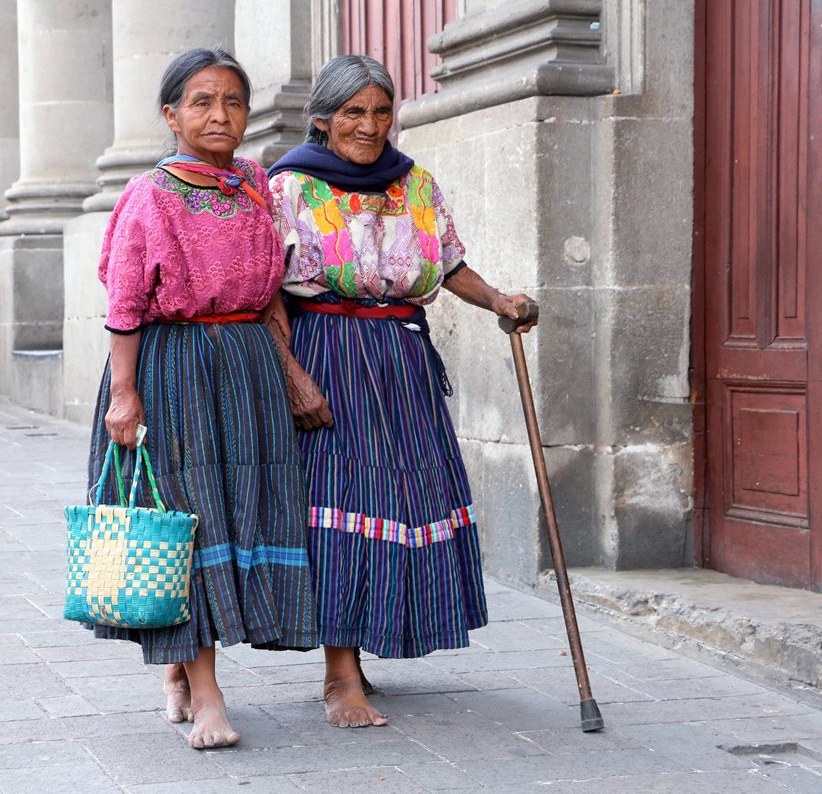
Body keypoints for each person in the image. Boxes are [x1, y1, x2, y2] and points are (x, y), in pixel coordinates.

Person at [267, 55, 537, 729]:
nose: (369, 125)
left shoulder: (415, 182)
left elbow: (448, 264)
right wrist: (293, 377)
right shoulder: (289, 187)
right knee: (340, 505)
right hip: (327, 354)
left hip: (402, 361)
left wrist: (501, 300)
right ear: (324, 118)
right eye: (353, 112)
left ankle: (368, 649)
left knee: (403, 501)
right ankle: (338, 674)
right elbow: (265, 292)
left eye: (381, 111)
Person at [85, 48, 316, 750]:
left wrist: (291, 371)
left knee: (240, 516)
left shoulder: (253, 183)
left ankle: (183, 670)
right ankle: (208, 693)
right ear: (171, 114)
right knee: (190, 525)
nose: (220, 115)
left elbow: (273, 287)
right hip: (173, 367)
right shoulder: (148, 196)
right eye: (201, 101)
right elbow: (124, 302)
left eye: (234, 102)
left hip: (245, 369)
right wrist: (124, 396)